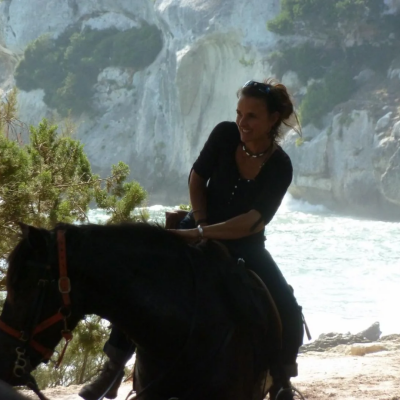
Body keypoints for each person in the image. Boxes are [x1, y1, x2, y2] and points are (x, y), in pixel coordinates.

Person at [79, 79, 304, 400]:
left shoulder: (281, 165)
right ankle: (113, 368)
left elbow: (253, 221)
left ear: (273, 119)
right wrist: (200, 222)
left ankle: (281, 379)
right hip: (197, 222)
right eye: (239, 113)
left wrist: (200, 234)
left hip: (244, 244)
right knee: (145, 278)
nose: (242, 122)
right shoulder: (225, 134)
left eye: (252, 116)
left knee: (287, 306)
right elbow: (197, 178)